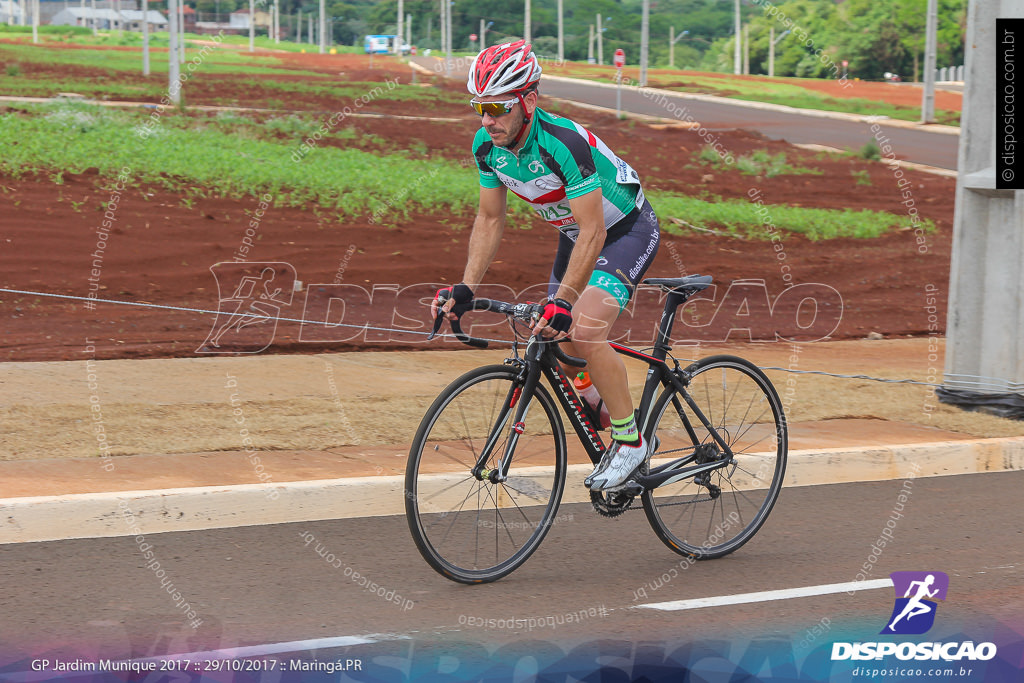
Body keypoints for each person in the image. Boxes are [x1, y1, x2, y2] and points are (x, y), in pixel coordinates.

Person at [431, 40, 661, 492]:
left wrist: (565, 301)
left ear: (529, 100)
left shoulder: (563, 143)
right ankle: (598, 399)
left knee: (585, 328)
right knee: (555, 338)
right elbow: (490, 218)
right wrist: (465, 287)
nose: (486, 119)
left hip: (625, 230)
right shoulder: (486, 145)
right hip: (576, 235)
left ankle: (632, 443)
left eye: (497, 107)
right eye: (479, 106)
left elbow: (595, 232)